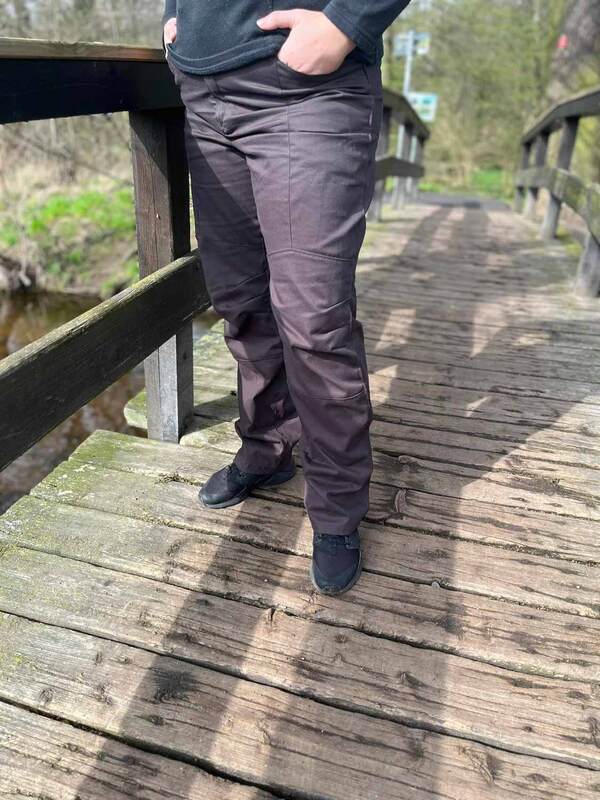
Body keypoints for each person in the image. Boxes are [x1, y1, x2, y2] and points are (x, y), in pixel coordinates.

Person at [162, 0, 411, 595]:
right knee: (240, 300)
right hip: (203, 93)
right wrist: (177, 13)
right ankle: (267, 448)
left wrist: (349, 21)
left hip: (306, 90)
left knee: (314, 320)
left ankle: (337, 507)